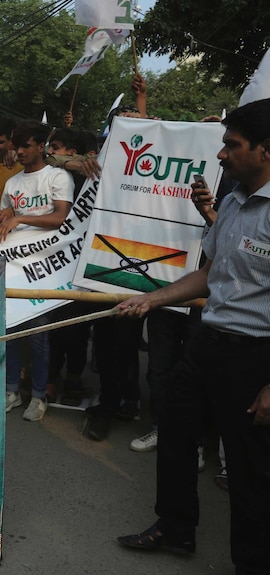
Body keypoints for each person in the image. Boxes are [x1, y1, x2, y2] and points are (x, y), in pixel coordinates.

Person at [115, 98, 270, 575]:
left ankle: (253, 563)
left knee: (249, 474)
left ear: (266, 150)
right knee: (176, 435)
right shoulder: (231, 202)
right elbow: (210, 274)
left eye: (232, 145)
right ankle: (175, 527)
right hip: (206, 343)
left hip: (255, 358)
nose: (221, 155)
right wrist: (155, 298)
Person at [0, 121, 74, 422]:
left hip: (47, 269)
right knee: (10, 331)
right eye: (18, 146)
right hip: (16, 268)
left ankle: (39, 396)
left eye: (26, 145)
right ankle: (12, 390)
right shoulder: (13, 183)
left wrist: (18, 217)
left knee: (38, 336)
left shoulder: (58, 176)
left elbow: (60, 217)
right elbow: (6, 223)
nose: (20, 151)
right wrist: (6, 218)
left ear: (41, 145)